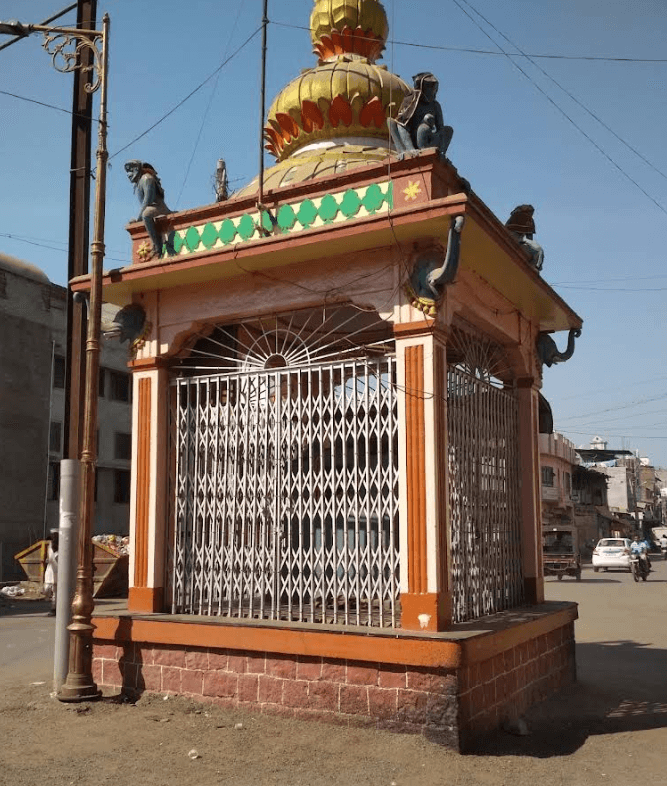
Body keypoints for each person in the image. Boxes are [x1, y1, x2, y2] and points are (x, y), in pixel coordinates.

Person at [43, 529, 59, 616]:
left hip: (56, 572)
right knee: (50, 590)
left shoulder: (60, 548)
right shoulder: (50, 546)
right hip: (52, 571)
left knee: (55, 593)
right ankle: (54, 608)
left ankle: (54, 609)